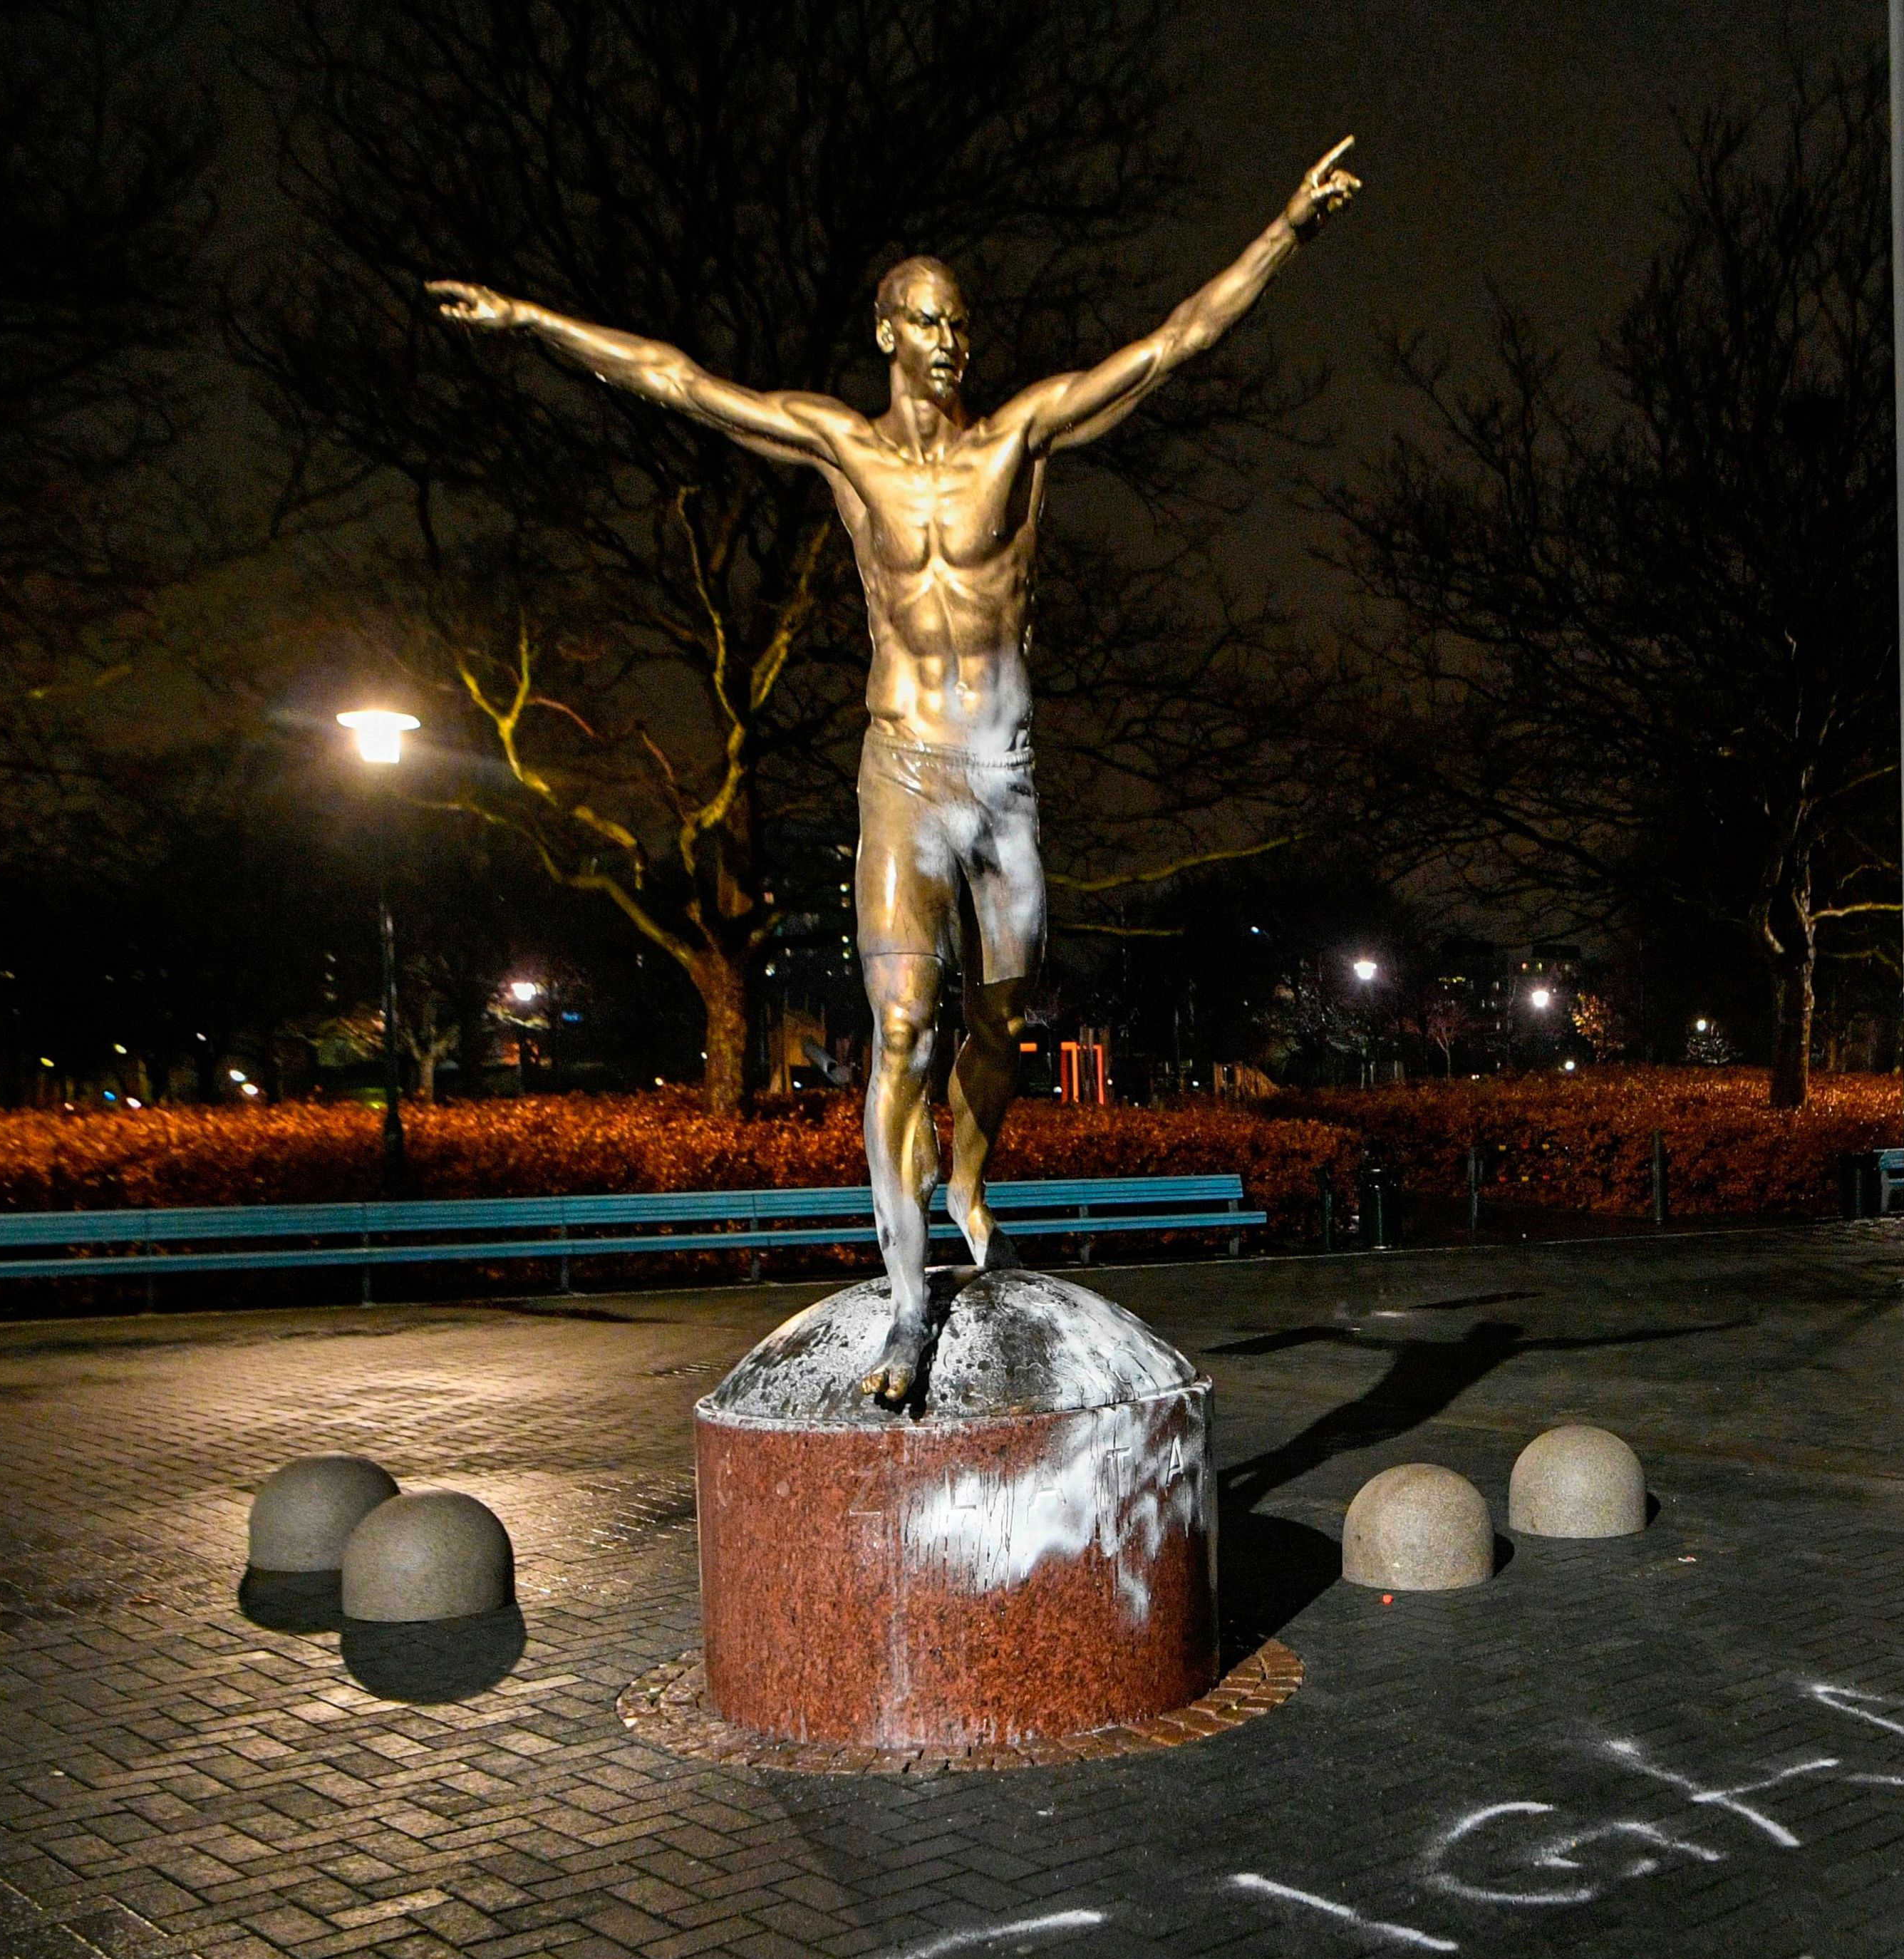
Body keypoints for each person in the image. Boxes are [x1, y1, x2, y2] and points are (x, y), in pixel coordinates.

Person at [432, 139, 1361, 1405]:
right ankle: (909, 1306)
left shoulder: (1020, 440)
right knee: (904, 1029)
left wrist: (1286, 231)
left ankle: (971, 1170)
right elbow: (679, 382)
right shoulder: (840, 449)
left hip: (1006, 779)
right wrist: (530, 319)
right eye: (926, 320)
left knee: (1002, 1021)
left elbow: (1172, 346)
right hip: (902, 771)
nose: (949, 341)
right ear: (884, 333)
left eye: (961, 324)